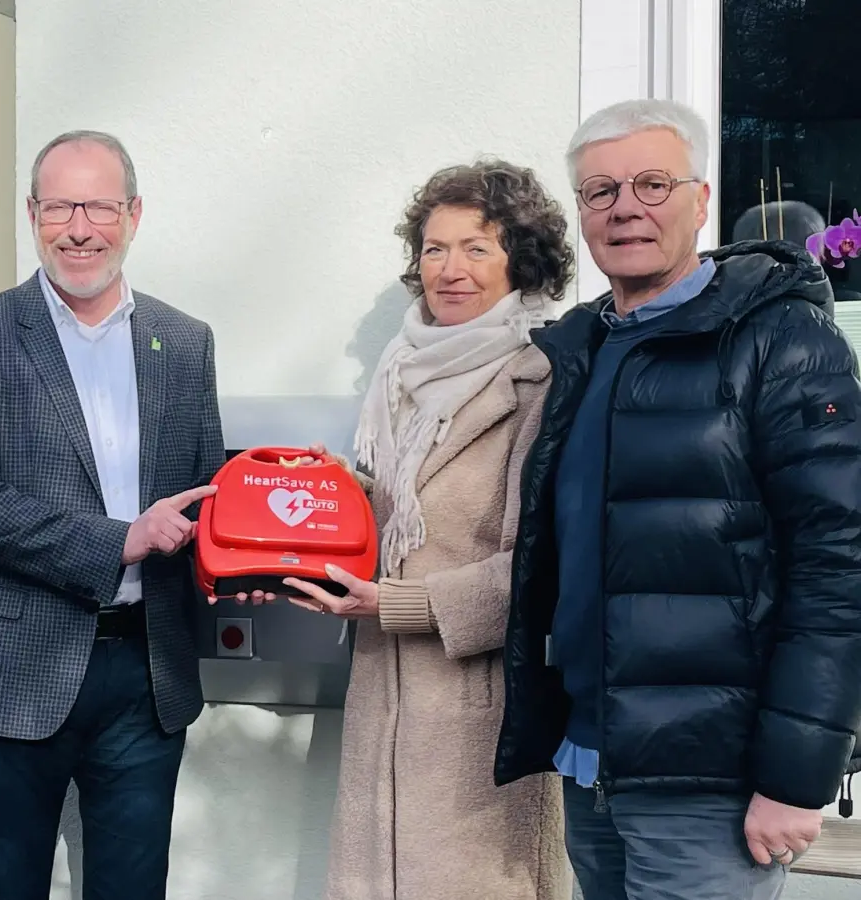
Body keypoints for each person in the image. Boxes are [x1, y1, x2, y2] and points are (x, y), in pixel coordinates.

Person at [494, 97, 861, 900]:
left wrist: (799, 777)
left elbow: (837, 567)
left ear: (701, 200)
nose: (626, 207)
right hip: (592, 766)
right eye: (601, 192)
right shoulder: (583, 349)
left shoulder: (781, 342)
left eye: (653, 184)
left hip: (715, 785)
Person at [0, 130, 225, 900]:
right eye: (59, 206)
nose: (80, 227)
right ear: (32, 213)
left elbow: (206, 493)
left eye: (98, 205)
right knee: (2, 887)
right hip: (14, 667)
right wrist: (121, 539)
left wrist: (256, 551)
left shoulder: (185, 342)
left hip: (145, 672)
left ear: (134, 214)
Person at [277, 161, 574, 900]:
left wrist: (398, 606)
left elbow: (545, 566)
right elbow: (409, 514)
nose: (450, 269)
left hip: (484, 718)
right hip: (383, 698)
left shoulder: (545, 379)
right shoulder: (400, 374)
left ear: (521, 259)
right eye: (435, 249)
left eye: (476, 248)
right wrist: (337, 496)